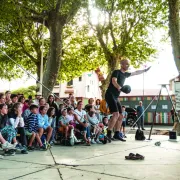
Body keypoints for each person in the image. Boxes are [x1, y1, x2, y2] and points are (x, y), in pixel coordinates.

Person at [105, 58, 150, 141]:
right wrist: (120, 88)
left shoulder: (125, 74)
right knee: (116, 114)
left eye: (128, 64)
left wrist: (144, 70)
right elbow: (114, 81)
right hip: (110, 94)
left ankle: (117, 134)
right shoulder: (116, 72)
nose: (128, 65)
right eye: (126, 64)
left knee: (121, 115)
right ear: (122, 64)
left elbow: (135, 73)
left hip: (115, 96)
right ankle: (108, 133)